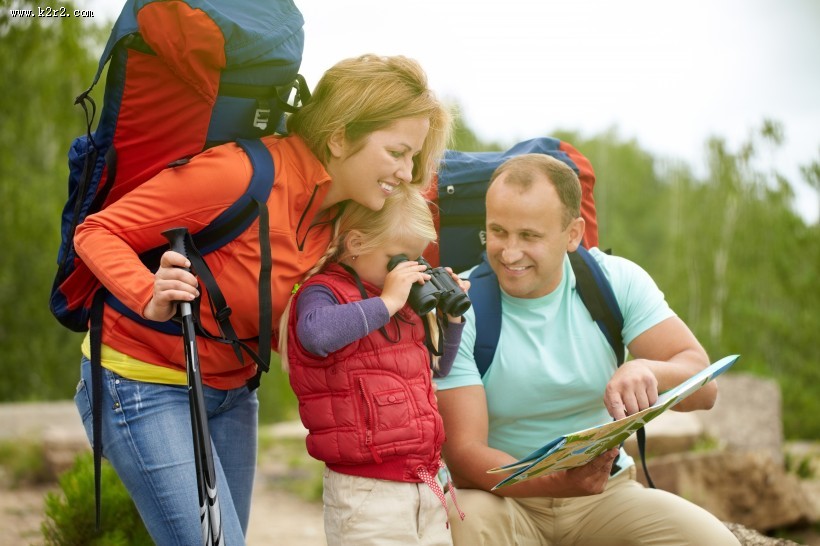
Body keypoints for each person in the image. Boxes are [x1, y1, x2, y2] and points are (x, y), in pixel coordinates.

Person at [71, 54, 451, 545]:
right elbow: (98, 231)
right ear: (339, 137)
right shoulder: (235, 175)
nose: (406, 171)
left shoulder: (341, 217)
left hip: (234, 392)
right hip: (146, 380)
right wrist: (149, 292)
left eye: (414, 158)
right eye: (397, 152)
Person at [434, 154, 741, 545]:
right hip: (503, 502)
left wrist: (648, 370)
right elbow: (464, 453)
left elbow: (705, 388)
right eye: (498, 231)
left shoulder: (615, 282)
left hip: (605, 496)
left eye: (529, 236)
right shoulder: (461, 306)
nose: (510, 253)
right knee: (463, 520)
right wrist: (560, 482)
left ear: (573, 233)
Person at [280, 184, 468, 546]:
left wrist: (452, 320)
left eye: (416, 260)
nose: (409, 273)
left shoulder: (403, 304)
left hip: (426, 484)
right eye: (398, 260)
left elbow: (438, 369)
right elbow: (316, 335)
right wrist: (387, 303)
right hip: (366, 490)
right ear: (356, 243)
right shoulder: (325, 291)